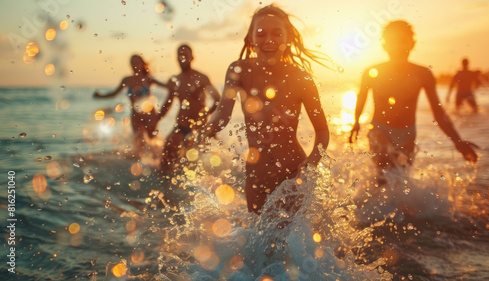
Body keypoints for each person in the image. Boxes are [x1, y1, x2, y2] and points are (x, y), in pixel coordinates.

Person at [198, 5, 330, 214]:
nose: (269, 40)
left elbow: (322, 131)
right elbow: (222, 115)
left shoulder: (300, 78)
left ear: (287, 37)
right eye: (261, 33)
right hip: (256, 177)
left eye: (277, 33)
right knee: (259, 244)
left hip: (293, 175)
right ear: (251, 39)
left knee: (291, 243)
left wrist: (310, 165)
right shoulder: (239, 70)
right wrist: (202, 134)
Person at [349, 20, 478, 183]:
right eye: (392, 42)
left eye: (403, 41)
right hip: (379, 130)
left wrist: (457, 141)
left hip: (408, 134)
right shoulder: (372, 72)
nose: (398, 47)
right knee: (383, 176)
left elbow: (438, 113)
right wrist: (356, 122)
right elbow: (361, 97)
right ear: (384, 45)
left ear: (412, 43)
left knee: (401, 180)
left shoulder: (423, 74)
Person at [157, 44, 221, 173]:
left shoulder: (201, 78)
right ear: (177, 58)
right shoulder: (175, 80)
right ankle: (163, 180)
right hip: (182, 124)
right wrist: (155, 120)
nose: (183, 58)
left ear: (192, 57)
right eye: (180, 55)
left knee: (213, 157)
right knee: (167, 149)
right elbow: (167, 104)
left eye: (186, 55)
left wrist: (206, 114)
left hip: (200, 126)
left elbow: (217, 99)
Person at [94, 55, 167, 155]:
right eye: (133, 63)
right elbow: (115, 93)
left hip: (150, 116)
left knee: (153, 143)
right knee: (138, 146)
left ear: (142, 64)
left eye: (137, 62)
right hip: (136, 117)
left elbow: (167, 86)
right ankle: (141, 166)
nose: (135, 65)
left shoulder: (148, 79)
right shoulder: (127, 80)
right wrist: (100, 96)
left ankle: (156, 163)